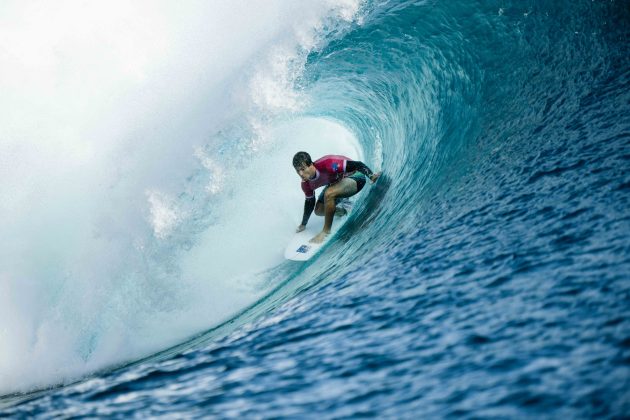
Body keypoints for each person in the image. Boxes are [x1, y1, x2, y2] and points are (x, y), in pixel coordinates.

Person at [293, 151, 381, 244]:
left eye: (302, 169)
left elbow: (358, 165)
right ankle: (343, 211)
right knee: (318, 210)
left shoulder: (329, 164)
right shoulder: (306, 185)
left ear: (311, 164)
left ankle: (325, 231)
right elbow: (310, 203)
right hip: (336, 183)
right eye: (297, 170)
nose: (300, 173)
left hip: (356, 177)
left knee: (329, 193)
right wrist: (303, 224)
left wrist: (371, 176)